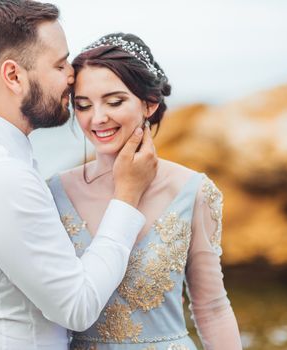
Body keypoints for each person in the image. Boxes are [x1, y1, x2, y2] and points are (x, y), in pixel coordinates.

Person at [0, 2, 158, 350]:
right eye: (60, 65)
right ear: (14, 76)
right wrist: (127, 196)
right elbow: (77, 307)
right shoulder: (0, 173)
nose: (72, 77)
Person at [46, 34, 243, 349]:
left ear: (149, 103)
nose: (97, 118)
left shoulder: (193, 191)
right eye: (83, 105)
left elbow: (212, 308)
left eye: (114, 102)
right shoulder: (54, 193)